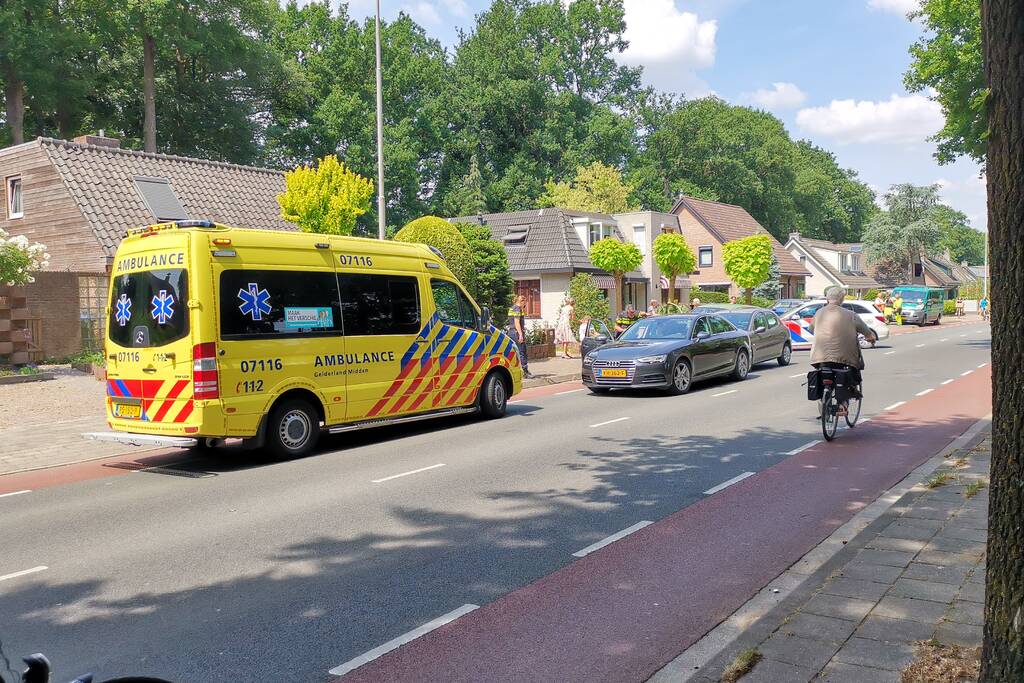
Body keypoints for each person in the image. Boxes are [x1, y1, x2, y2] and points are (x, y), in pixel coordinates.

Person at [809, 287, 877, 413]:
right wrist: (871, 338)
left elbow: (811, 329)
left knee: (823, 373)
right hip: (845, 358)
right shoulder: (851, 315)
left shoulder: (818, 313)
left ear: (827, 298)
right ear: (842, 299)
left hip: (819, 356)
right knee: (851, 375)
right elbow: (867, 332)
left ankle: (823, 400)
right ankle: (842, 404)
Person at [507, 294, 533, 378]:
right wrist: (521, 334)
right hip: (516, 332)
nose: (525, 305)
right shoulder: (517, 308)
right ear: (522, 301)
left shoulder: (512, 308)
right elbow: (516, 322)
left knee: (515, 353)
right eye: (525, 303)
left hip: (511, 332)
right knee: (522, 352)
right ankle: (525, 372)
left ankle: (517, 372)